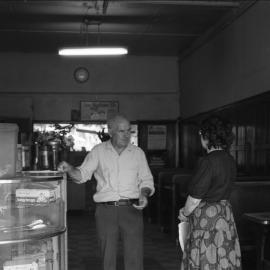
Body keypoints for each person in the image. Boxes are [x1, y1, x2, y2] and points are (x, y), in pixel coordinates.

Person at [58, 114, 154, 270]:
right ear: (110, 131)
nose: (127, 135)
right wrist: (69, 168)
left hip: (132, 209)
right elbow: (81, 175)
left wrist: (144, 193)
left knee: (135, 258)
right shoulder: (98, 152)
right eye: (122, 131)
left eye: (129, 131)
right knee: (107, 258)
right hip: (106, 211)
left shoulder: (138, 153)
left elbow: (147, 181)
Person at [178, 115, 242, 270]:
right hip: (225, 214)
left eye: (201, 134)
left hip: (207, 217)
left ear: (207, 136)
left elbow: (195, 198)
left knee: (206, 255)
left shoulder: (207, 161)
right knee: (224, 254)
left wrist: (185, 213)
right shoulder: (229, 159)